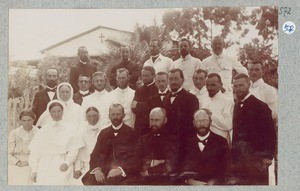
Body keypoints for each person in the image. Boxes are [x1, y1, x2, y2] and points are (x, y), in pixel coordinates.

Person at [230, 74, 276, 185]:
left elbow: (270, 133)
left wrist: (267, 157)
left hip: (257, 160)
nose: (238, 89)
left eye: (241, 85)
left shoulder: (261, 106)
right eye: (235, 86)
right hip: (239, 159)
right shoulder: (236, 105)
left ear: (249, 85)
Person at [28, 100, 84, 185]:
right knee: (42, 181)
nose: (56, 114)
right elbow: (35, 152)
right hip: (44, 163)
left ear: (63, 111)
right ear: (49, 112)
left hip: (62, 161)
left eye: (59, 111)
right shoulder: (43, 130)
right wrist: (34, 169)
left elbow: (74, 150)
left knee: (61, 180)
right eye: (53, 111)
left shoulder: (70, 128)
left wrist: (67, 162)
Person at [82, 104, 139, 185]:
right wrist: (97, 169)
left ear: (124, 115)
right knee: (90, 182)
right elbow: (95, 154)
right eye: (113, 114)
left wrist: (120, 170)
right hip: (104, 170)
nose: (115, 117)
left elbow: (136, 157)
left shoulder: (132, 133)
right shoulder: (104, 133)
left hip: (123, 172)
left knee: (111, 184)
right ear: (109, 116)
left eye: (118, 114)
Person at [181, 109, 229, 185]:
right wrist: (189, 180)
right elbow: (180, 166)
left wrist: (213, 182)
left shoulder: (221, 141)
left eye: (204, 120)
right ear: (193, 123)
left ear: (210, 122)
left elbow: (225, 168)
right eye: (198, 121)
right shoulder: (185, 142)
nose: (201, 123)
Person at [162, 68, 199, 164]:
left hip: (184, 143)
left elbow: (194, 123)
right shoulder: (165, 98)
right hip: (168, 143)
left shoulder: (191, 98)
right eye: (171, 79)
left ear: (182, 80)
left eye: (176, 78)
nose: (173, 82)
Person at [137, 107, 177, 185]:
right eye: (151, 120)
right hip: (144, 180)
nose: (153, 123)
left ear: (165, 120)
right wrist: (151, 163)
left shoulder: (172, 140)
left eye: (157, 120)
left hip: (164, 180)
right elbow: (136, 160)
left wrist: (148, 171)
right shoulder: (143, 139)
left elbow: (170, 164)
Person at [72, 107, 103, 185]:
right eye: (89, 116)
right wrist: (77, 169)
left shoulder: (105, 129)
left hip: (103, 165)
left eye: (95, 116)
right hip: (87, 165)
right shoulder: (81, 132)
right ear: (85, 117)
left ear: (99, 115)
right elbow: (78, 153)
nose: (92, 119)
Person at [8, 110, 39, 185]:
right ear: (20, 121)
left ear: (33, 120)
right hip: (16, 162)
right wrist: (17, 162)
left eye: (29, 120)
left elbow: (40, 152)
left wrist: (30, 162)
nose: (27, 123)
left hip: (33, 162)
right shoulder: (14, 133)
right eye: (24, 121)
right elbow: (8, 153)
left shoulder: (38, 132)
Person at [202, 73, 234, 146]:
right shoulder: (205, 101)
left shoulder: (228, 102)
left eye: (213, 85)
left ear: (221, 85)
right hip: (205, 143)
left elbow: (228, 125)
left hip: (221, 145)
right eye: (207, 85)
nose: (209, 88)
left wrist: (210, 116)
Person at [131, 66, 158, 136]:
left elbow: (154, 106)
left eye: (147, 76)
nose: (144, 78)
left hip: (153, 125)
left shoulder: (157, 89)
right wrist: (146, 106)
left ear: (153, 76)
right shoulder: (139, 89)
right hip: (140, 125)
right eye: (143, 75)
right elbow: (133, 107)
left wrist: (138, 105)